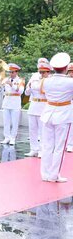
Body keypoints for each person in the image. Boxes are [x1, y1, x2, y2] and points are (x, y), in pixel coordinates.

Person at [40, 53, 73, 183]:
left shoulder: (46, 81)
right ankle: (54, 175)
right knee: (59, 147)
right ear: (66, 68)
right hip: (63, 115)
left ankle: (45, 174)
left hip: (48, 114)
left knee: (47, 146)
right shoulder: (70, 82)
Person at [25, 59, 51, 157]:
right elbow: (27, 93)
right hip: (33, 105)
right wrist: (30, 86)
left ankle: (41, 150)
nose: (41, 74)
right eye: (40, 72)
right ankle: (33, 149)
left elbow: (46, 92)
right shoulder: (34, 78)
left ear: (48, 72)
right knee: (32, 129)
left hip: (43, 106)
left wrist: (36, 85)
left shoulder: (49, 81)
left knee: (42, 130)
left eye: (43, 72)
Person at [1, 64, 25, 145]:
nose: (11, 74)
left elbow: (21, 91)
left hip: (15, 102)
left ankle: (13, 138)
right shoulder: (5, 79)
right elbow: (1, 89)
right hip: (6, 101)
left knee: (15, 121)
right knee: (6, 121)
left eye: (12, 72)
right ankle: (6, 137)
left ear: (16, 72)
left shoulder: (20, 80)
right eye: (10, 72)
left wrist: (12, 85)